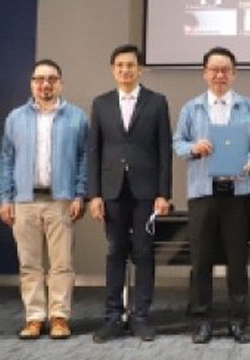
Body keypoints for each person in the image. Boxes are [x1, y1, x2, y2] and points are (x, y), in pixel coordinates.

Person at [173, 47, 250, 344]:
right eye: (213, 69)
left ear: (234, 73)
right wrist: (193, 148)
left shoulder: (249, 107)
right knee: (201, 260)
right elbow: (178, 142)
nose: (219, 75)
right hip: (203, 192)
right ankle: (202, 320)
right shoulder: (191, 108)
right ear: (204, 73)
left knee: (237, 259)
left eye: (225, 70)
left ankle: (238, 320)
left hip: (238, 193)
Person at [0, 59, 89, 340]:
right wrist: (5, 198)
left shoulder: (77, 117)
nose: (45, 84)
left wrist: (80, 194)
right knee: (29, 264)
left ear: (60, 82)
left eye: (51, 79)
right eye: (39, 79)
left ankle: (59, 317)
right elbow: (6, 160)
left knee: (62, 264)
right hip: (24, 200)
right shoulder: (16, 118)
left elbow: (85, 158)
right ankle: (34, 318)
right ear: (32, 83)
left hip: (62, 200)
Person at [88, 44, 173, 343]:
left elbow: (165, 150)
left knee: (144, 252)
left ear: (140, 69)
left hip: (146, 191)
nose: (125, 70)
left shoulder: (157, 102)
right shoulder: (101, 104)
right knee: (114, 252)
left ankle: (140, 316)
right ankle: (113, 316)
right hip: (112, 190)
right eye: (120, 65)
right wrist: (94, 195)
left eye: (131, 65)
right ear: (113, 70)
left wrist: (164, 193)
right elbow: (94, 151)